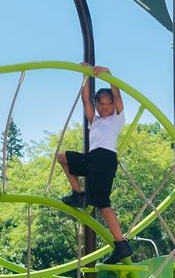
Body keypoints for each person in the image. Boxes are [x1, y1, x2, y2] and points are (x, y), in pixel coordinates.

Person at [55, 66, 132, 263]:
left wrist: (108, 75)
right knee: (63, 157)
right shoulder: (94, 121)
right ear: (97, 105)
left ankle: (121, 244)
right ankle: (78, 194)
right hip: (91, 159)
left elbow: (117, 92)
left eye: (109, 103)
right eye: (101, 104)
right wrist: (86, 74)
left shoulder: (117, 118)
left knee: (102, 203)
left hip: (105, 159)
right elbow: (85, 98)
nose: (105, 107)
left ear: (114, 105)